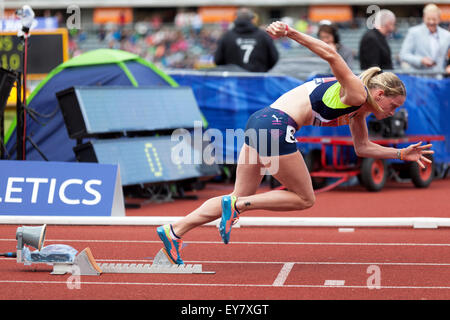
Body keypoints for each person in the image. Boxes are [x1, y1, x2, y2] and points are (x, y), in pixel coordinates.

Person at [157, 21, 434, 264]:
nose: (393, 111)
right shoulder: (358, 92)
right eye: (393, 105)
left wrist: (399, 154)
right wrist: (289, 32)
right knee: (304, 198)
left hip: (261, 120)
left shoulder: (358, 110)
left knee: (239, 195)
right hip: (277, 124)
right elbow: (330, 53)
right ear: (381, 93)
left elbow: (362, 148)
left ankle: (175, 230)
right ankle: (238, 208)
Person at [213, 8, 279, 72]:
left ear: (236, 18)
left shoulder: (226, 36)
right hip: (257, 79)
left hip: (234, 79)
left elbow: (218, 60)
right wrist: (262, 70)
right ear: (253, 19)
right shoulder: (263, 36)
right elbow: (274, 58)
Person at [399, 4, 450, 72]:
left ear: (439, 19)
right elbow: (403, 55)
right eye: (428, 19)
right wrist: (421, 60)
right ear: (423, 18)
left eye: (434, 19)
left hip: (439, 78)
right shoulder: (414, 32)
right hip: (419, 78)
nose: (431, 22)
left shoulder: (446, 35)